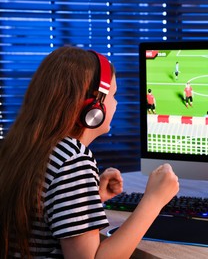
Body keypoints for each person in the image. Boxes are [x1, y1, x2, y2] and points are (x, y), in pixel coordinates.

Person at [0, 46, 179, 258]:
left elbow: (37, 216)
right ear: (93, 108)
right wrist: (153, 201)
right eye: (113, 95)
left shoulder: (19, 146)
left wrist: (91, 199)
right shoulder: (72, 160)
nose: (117, 103)